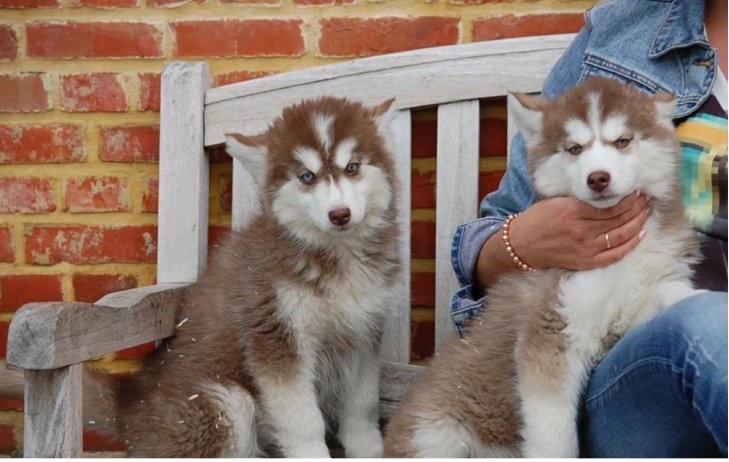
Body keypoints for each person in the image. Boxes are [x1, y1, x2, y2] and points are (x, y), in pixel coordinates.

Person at [449, 0, 727, 457]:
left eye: (621, 142)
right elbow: (499, 227)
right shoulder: (620, 34)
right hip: (632, 392)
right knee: (709, 318)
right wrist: (525, 241)